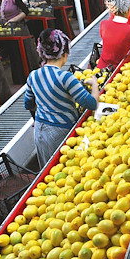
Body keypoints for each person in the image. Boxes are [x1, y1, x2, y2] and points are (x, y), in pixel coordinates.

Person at [25, 29, 99, 167]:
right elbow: (91, 104)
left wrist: (39, 116)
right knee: (64, 167)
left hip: (40, 129)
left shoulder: (33, 75)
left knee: (47, 170)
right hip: (61, 130)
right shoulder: (66, 78)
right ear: (64, 54)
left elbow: (28, 103)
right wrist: (94, 85)